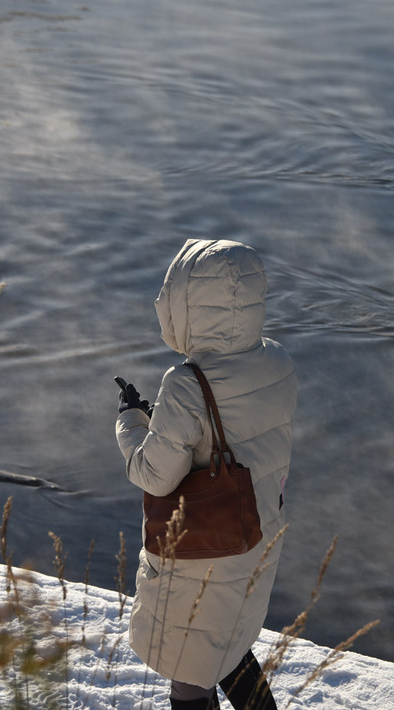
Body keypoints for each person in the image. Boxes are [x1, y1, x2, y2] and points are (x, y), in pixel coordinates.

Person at [116, 239, 298, 710]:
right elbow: (240, 433)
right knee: (229, 643)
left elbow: (154, 475)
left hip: (204, 552)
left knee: (189, 675)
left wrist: (133, 423)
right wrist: (176, 427)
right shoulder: (278, 361)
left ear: (186, 304)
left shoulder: (186, 384)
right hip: (257, 532)